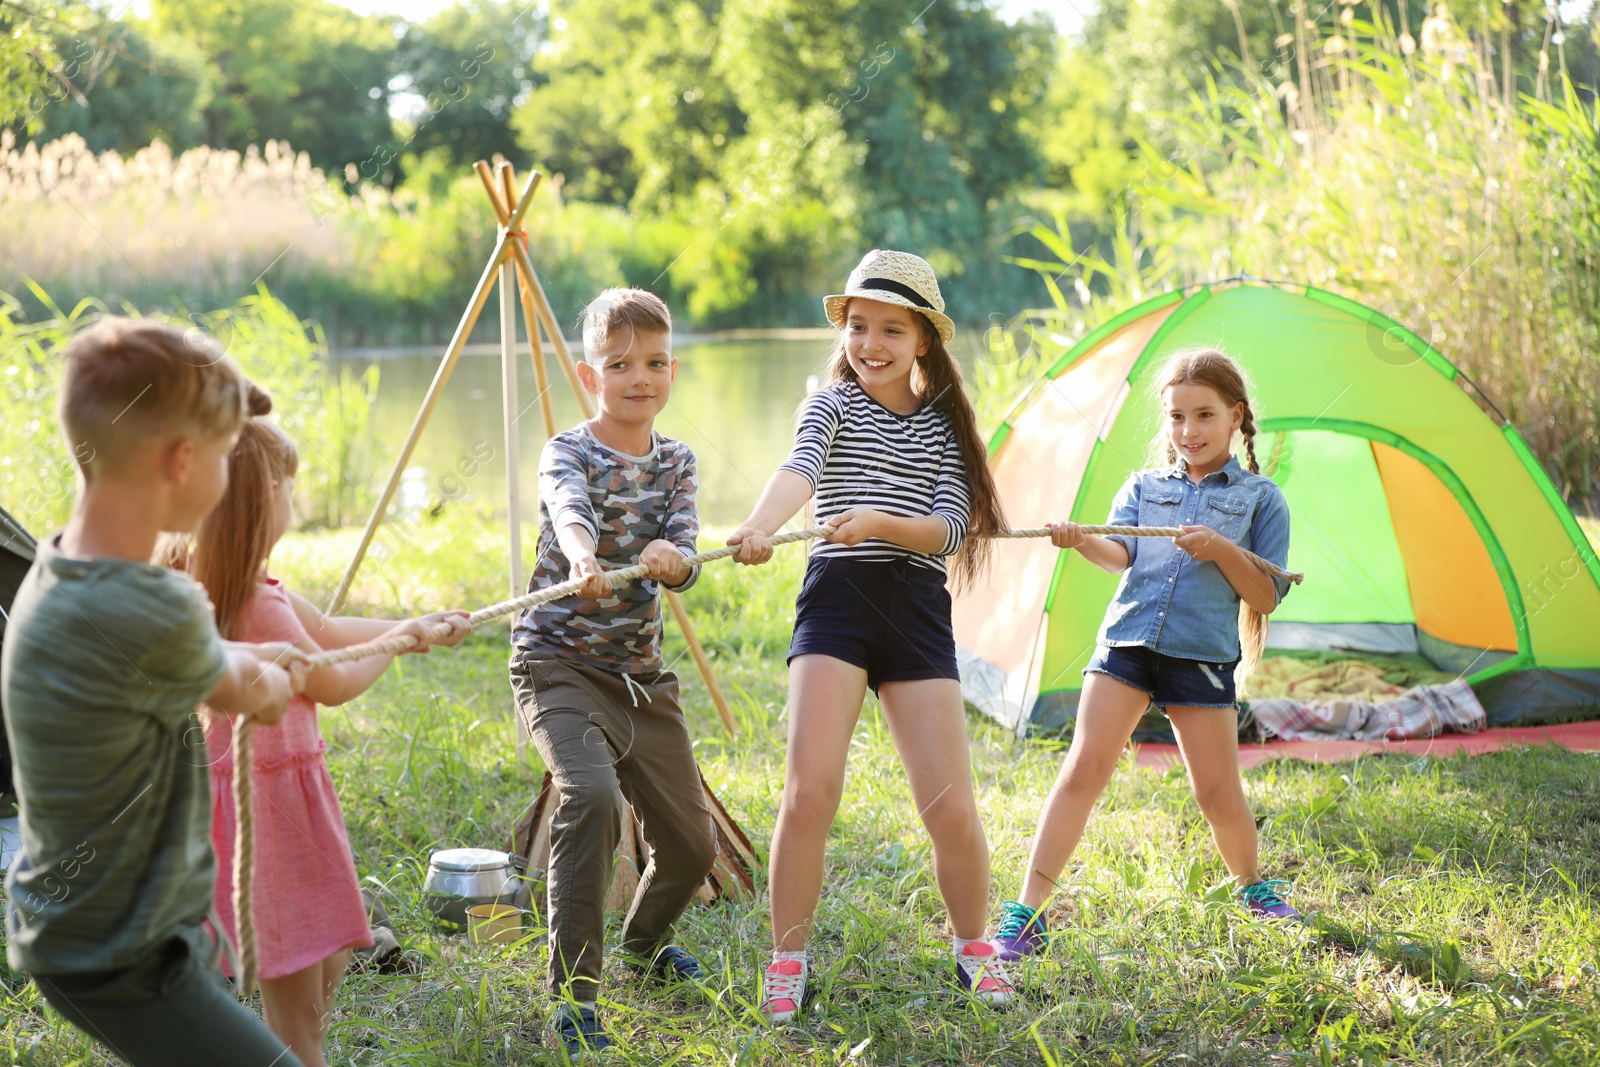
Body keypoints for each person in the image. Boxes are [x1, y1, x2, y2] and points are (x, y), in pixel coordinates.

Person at [2, 319, 306, 1066]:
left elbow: (176, 662)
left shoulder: (61, 569)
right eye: (231, 454)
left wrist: (254, 654)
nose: (234, 474)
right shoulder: (155, 608)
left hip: (90, 928)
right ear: (182, 460)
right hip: (123, 952)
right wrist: (270, 669)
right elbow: (255, 696)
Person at [728, 249, 1015, 1022]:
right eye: (860, 326)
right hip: (839, 603)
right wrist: (759, 526)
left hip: (915, 606)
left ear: (924, 339)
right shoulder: (830, 404)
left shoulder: (946, 428)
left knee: (950, 806)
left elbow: (951, 529)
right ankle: (788, 959)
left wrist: (882, 523)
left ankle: (973, 945)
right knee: (810, 789)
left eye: (892, 328)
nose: (872, 343)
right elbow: (797, 470)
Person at [161, 407, 469, 1067]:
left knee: (314, 962)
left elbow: (326, 630)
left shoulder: (221, 585)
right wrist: (395, 644)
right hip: (274, 813)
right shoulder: (258, 601)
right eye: (287, 486)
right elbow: (331, 679)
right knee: (299, 998)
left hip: (261, 804)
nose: (294, 498)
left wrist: (409, 625)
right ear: (257, 500)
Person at [991, 348, 1299, 964]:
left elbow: (1264, 593)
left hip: (1202, 657)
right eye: (1177, 417)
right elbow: (1120, 556)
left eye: (1204, 415)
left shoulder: (1262, 500)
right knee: (1083, 770)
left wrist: (1222, 551)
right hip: (1127, 644)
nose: (1189, 432)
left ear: (1237, 416)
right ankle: (1028, 912)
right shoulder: (1143, 487)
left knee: (1217, 791)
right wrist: (1081, 543)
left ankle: (1252, 886)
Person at [507, 288, 716, 1057]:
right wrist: (585, 554)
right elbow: (569, 509)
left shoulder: (677, 462)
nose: (641, 377)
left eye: (656, 363)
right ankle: (575, 997)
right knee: (590, 796)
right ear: (592, 374)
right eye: (621, 364)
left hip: (639, 678)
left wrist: (674, 559)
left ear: (672, 369)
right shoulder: (567, 449)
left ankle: (643, 943)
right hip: (556, 665)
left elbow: (686, 549)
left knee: (692, 848)